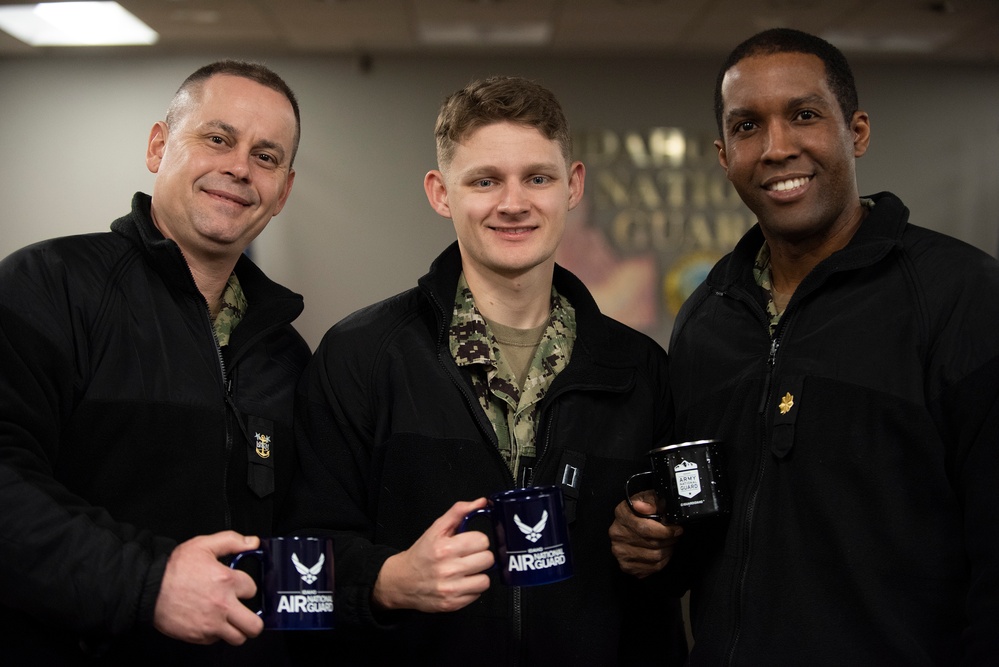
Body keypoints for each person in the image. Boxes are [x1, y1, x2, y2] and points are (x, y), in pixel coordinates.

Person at [609, 27, 999, 665]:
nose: (777, 148)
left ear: (858, 132)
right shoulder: (706, 320)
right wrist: (651, 541)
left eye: (804, 115)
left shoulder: (961, 297)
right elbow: (703, 537)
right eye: (747, 127)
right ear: (723, 153)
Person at [282, 75, 687, 666]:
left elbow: (669, 580)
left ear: (572, 186)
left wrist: (662, 547)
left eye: (538, 178)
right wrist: (389, 578)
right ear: (441, 193)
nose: (514, 203)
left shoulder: (637, 369)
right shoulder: (361, 356)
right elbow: (303, 563)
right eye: (484, 181)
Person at [0, 60, 311, 664]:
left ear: (283, 192)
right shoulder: (47, 287)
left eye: (266, 157)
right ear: (159, 146)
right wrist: (149, 584)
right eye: (217, 139)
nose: (240, 168)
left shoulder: (284, 353)